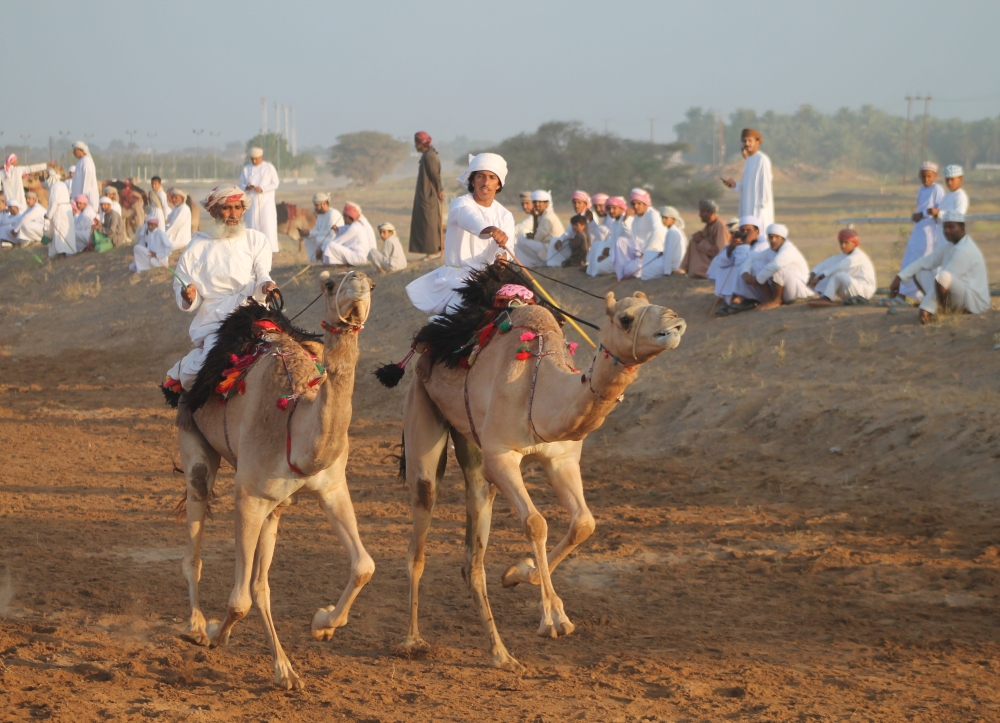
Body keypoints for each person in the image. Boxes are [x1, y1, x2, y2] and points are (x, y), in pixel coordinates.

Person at [163, 184, 277, 393]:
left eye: (237, 207)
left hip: (252, 310)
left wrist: (267, 285)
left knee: (287, 356)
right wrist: (188, 295)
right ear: (214, 211)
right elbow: (185, 290)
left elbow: (263, 275)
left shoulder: (257, 240)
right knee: (205, 373)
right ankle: (184, 370)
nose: (233, 214)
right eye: (227, 208)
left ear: (244, 209)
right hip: (216, 318)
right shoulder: (198, 247)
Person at [405, 152, 514, 316]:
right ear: (472, 180)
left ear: (499, 184)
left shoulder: (505, 215)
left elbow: (507, 247)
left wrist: (502, 258)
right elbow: (470, 220)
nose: (486, 183)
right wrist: (490, 229)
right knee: (455, 321)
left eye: (492, 177)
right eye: (480, 176)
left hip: (492, 280)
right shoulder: (460, 204)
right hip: (459, 281)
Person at [891, 211, 990, 323]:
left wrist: (926, 307)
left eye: (951, 227)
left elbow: (944, 280)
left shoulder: (965, 250)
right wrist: (900, 277)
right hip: (959, 295)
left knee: (943, 277)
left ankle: (943, 310)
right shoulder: (950, 246)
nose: (947, 231)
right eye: (945, 227)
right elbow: (924, 262)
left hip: (974, 302)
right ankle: (941, 308)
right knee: (919, 271)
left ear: (962, 228)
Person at [897, 161, 946, 300]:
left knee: (922, 261)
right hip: (918, 229)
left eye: (929, 176)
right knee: (909, 259)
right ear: (919, 176)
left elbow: (938, 210)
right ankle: (902, 294)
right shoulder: (921, 190)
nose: (926, 179)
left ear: (935, 176)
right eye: (923, 176)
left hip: (930, 230)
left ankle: (928, 294)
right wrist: (917, 215)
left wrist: (923, 214)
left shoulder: (937, 189)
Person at [740, 223, 814, 310]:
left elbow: (776, 265)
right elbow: (752, 258)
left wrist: (757, 278)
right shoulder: (771, 251)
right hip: (787, 291)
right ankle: (768, 299)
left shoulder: (788, 249)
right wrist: (745, 273)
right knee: (756, 263)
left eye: (777, 237)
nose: (773, 240)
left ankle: (776, 301)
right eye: (771, 237)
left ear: (783, 239)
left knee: (777, 268)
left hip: (799, 290)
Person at [722, 128, 774, 232]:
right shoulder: (749, 160)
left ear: (757, 142)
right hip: (747, 211)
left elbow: (765, 188)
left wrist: (759, 214)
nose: (747, 143)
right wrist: (734, 185)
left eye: (750, 140)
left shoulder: (762, 159)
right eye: (744, 141)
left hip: (759, 212)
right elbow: (747, 188)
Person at [807, 229, 877, 306]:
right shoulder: (844, 255)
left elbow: (839, 267)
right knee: (821, 273)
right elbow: (824, 264)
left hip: (864, 291)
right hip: (853, 288)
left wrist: (819, 278)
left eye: (846, 242)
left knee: (838, 275)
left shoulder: (858, 256)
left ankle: (827, 299)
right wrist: (813, 275)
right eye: (841, 242)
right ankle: (822, 296)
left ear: (854, 243)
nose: (843, 246)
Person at [614, 188, 667, 280]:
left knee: (629, 269)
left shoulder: (653, 214)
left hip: (655, 252)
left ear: (646, 204)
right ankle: (625, 272)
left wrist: (645, 251)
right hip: (642, 253)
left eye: (639, 203)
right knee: (620, 242)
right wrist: (626, 219)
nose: (636, 206)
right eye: (633, 204)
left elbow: (657, 232)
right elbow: (633, 238)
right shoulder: (635, 220)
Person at [712, 216, 759, 311]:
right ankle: (729, 297)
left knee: (738, 270)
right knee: (723, 268)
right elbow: (722, 261)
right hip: (743, 269)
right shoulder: (741, 243)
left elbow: (741, 262)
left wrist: (746, 244)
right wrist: (732, 247)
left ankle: (741, 298)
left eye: (748, 230)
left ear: (757, 231)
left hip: (755, 279)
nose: (745, 233)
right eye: (742, 230)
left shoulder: (762, 244)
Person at [238, 147, 280, 253]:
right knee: (252, 226)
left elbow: (275, 183)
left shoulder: (269, 168)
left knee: (268, 227)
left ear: (261, 157)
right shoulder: (246, 169)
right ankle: (253, 250)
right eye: (252, 159)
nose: (254, 161)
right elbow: (241, 183)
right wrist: (247, 187)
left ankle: (270, 250)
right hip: (252, 204)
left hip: (266, 204)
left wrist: (262, 189)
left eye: (256, 159)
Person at [409, 131, 443, 257]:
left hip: (429, 196)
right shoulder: (427, 155)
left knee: (429, 224)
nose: (415, 146)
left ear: (420, 144)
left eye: (416, 143)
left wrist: (440, 190)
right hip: (425, 195)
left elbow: (435, 175)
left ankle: (434, 251)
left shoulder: (429, 156)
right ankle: (431, 251)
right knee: (425, 223)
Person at [547, 190, 596, 267]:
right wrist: (561, 240)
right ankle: (555, 264)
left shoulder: (590, 216)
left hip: (588, 250)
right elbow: (568, 232)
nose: (576, 205)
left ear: (585, 204)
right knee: (554, 241)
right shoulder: (575, 215)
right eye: (574, 203)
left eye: (579, 203)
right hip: (576, 245)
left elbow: (593, 236)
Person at [516, 190, 564, 267]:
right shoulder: (542, 215)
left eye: (540, 202)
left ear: (546, 203)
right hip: (546, 246)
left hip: (551, 248)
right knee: (523, 239)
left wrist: (532, 237)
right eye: (535, 202)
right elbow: (537, 233)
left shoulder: (548, 216)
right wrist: (535, 217)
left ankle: (537, 263)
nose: (537, 204)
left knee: (522, 240)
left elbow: (537, 238)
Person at [322, 202, 377, 266]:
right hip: (358, 254)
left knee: (331, 245)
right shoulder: (356, 224)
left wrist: (322, 249)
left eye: (344, 216)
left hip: (360, 257)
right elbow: (346, 228)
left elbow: (339, 240)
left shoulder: (355, 227)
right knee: (331, 247)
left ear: (349, 217)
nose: (343, 218)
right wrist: (338, 229)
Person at [927, 164, 969, 249]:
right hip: (942, 241)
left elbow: (958, 217)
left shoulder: (960, 196)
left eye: (952, 179)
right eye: (947, 180)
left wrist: (939, 213)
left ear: (960, 179)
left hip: (952, 243)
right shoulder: (946, 196)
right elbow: (940, 219)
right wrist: (935, 215)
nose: (949, 182)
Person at [685, 200, 729, 278]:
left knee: (696, 243)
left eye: (702, 212)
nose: (700, 215)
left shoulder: (720, 226)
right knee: (693, 242)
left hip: (719, 261)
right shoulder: (709, 225)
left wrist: (701, 241)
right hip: (710, 255)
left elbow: (721, 251)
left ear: (710, 213)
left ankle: (702, 272)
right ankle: (686, 269)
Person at [587, 197, 626, 276]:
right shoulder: (615, 222)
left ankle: (595, 269)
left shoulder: (625, 221)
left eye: (614, 208)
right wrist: (606, 254)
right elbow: (612, 239)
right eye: (609, 208)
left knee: (599, 266)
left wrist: (609, 253)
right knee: (597, 244)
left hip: (623, 256)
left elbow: (624, 245)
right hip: (614, 251)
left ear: (621, 208)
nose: (611, 211)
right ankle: (591, 268)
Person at [303, 191, 345, 263]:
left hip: (336, 242)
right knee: (307, 239)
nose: (314, 208)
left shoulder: (333, 213)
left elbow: (331, 234)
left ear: (324, 204)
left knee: (318, 239)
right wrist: (308, 234)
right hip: (324, 240)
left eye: (316, 205)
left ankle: (328, 260)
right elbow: (316, 230)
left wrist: (311, 233)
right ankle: (316, 261)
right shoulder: (320, 215)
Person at [44, 170, 76, 257]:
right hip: (66, 209)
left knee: (59, 232)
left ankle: (61, 253)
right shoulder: (63, 184)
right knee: (66, 231)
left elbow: (54, 203)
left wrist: (48, 215)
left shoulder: (54, 187)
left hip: (59, 210)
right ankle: (69, 251)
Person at [70, 141, 100, 211]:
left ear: (81, 150)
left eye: (75, 150)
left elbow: (87, 179)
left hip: (86, 198)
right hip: (78, 199)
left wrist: (84, 197)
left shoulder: (87, 161)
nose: (73, 152)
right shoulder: (80, 162)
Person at [660, 206, 688, 274]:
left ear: (673, 219)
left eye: (666, 218)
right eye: (662, 217)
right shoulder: (676, 230)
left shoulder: (672, 232)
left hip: (675, 267)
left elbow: (669, 253)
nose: (663, 220)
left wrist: (666, 271)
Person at [165, 188, 193, 252]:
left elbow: (175, 225)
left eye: (176, 198)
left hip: (181, 241)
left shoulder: (184, 209)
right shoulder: (176, 209)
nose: (174, 199)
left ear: (182, 198)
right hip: (175, 238)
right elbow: (168, 219)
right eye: (173, 198)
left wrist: (164, 235)